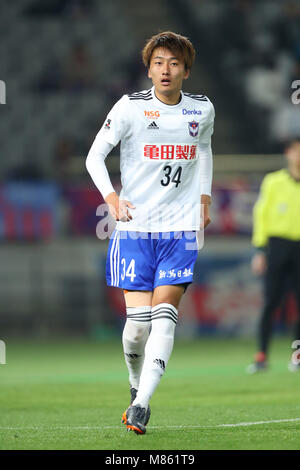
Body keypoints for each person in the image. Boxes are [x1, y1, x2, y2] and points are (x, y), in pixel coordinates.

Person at [86, 31, 215, 434]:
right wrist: (110, 197)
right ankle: (133, 382)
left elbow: (206, 149)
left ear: (186, 71)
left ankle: (142, 403)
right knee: (137, 327)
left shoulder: (202, 110)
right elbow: (94, 156)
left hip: (179, 230)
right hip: (135, 230)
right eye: (159, 62)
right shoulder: (129, 109)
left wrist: (205, 199)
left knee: (164, 319)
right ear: (148, 68)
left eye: (174, 63)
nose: (166, 69)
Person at [248, 137, 300, 373]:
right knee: (271, 302)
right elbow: (261, 215)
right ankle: (262, 355)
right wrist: (260, 250)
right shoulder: (274, 181)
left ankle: (296, 356)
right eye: (296, 151)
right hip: (277, 246)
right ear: (288, 153)